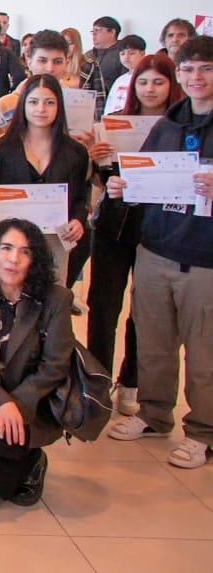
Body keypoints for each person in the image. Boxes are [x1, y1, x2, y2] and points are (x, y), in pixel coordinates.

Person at [105, 36, 213, 468]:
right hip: (155, 250)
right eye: (188, 69)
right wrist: (121, 188)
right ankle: (154, 414)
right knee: (153, 342)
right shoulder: (167, 126)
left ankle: (204, 432)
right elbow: (143, 183)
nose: (196, 77)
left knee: (204, 350)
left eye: (205, 68)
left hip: (203, 257)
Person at [86, 53, 182, 417]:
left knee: (145, 310)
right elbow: (101, 180)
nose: (150, 89)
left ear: (172, 85)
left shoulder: (179, 128)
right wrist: (97, 160)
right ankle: (96, 381)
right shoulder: (116, 123)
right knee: (103, 305)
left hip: (158, 229)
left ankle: (130, 381)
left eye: (159, 81)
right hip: (114, 225)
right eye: (143, 81)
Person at [0, 220, 73, 506]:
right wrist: (1, 403)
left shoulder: (56, 299)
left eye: (25, 252)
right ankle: (6, 457)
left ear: (35, 260)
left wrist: (15, 404)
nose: (13, 259)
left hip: (34, 399)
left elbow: (55, 365)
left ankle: (33, 460)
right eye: (6, 248)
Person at [0, 75, 90, 285]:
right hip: (10, 240)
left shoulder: (75, 151)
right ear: (23, 104)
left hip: (55, 240)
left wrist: (78, 219)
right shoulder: (1, 148)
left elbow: (80, 196)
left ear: (59, 106)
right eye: (33, 102)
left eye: (49, 102)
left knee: (50, 301)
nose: (41, 109)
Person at [79, 16, 125, 120]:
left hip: (112, 109)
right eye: (93, 32)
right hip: (85, 109)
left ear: (112, 32)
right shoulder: (87, 56)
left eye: (98, 31)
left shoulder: (122, 55)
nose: (94, 35)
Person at [102, 34, 148, 115]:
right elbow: (110, 104)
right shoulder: (120, 80)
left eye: (131, 53)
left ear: (143, 54)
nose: (126, 57)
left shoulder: (146, 78)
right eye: (122, 54)